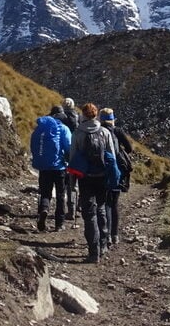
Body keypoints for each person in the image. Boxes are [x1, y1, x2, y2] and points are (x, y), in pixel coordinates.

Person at [69, 102, 115, 263]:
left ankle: (93, 251)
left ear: (82, 115)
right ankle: (103, 245)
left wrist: (73, 179)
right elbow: (111, 156)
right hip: (101, 176)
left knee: (89, 214)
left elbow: (72, 157)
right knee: (101, 208)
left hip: (85, 177)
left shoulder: (77, 133)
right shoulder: (104, 132)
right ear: (96, 115)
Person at [30, 105, 71, 232]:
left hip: (44, 167)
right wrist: (69, 161)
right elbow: (68, 147)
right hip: (59, 167)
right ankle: (59, 224)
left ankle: (44, 209)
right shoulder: (63, 129)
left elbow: (33, 146)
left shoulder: (40, 129)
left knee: (45, 192)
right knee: (60, 195)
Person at [99, 107, 133, 247]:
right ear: (113, 119)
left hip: (101, 172)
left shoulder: (98, 131)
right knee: (114, 204)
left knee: (104, 203)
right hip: (117, 172)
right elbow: (130, 148)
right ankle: (115, 235)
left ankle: (104, 235)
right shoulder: (118, 131)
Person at [62, 97, 80, 220]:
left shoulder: (61, 118)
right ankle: (76, 207)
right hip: (76, 152)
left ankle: (66, 209)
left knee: (65, 183)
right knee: (75, 183)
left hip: (64, 152)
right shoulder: (78, 117)